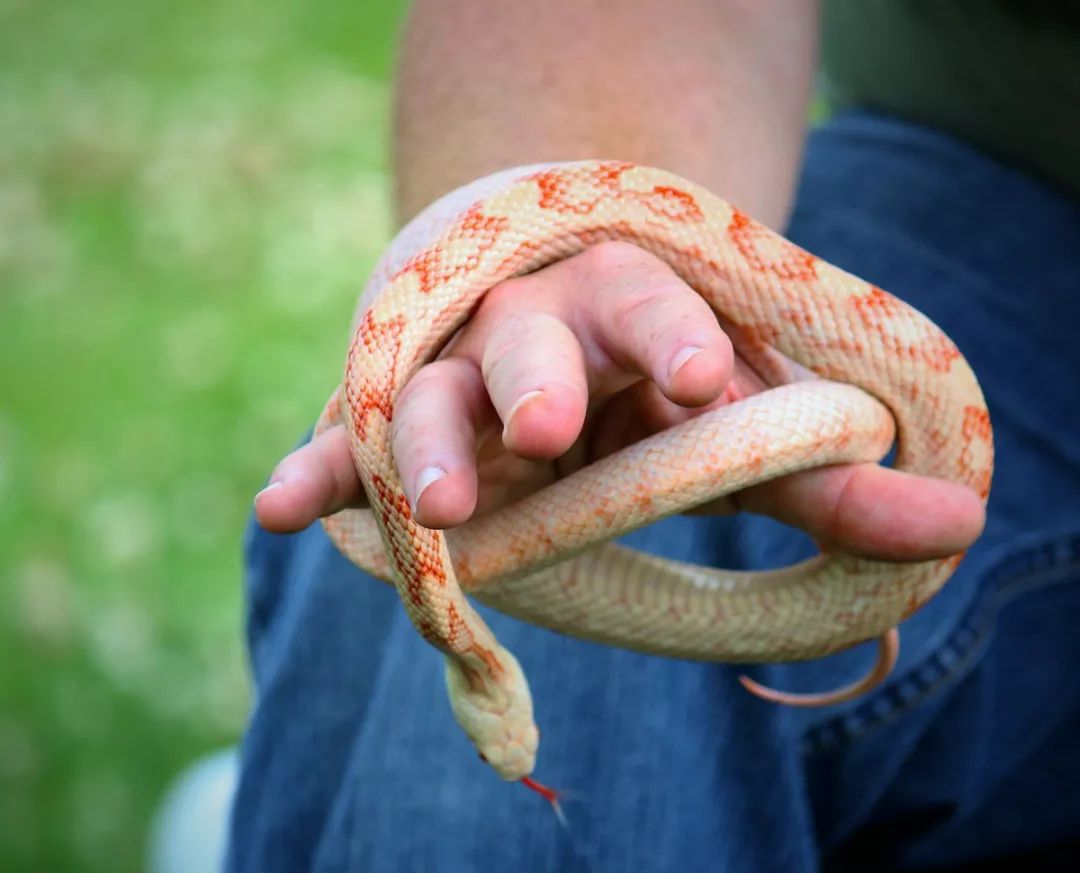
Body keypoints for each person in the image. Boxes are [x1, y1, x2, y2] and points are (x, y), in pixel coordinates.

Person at [228, 2, 1080, 870]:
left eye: (505, 745)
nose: (519, 760)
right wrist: (561, 275)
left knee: (433, 493)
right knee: (437, 444)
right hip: (976, 171)